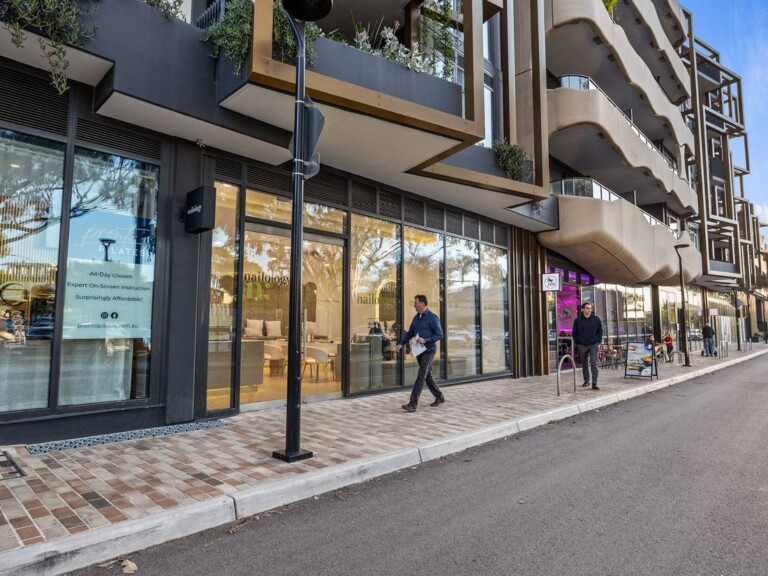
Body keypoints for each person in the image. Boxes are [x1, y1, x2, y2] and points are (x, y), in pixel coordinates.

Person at [397, 295, 445, 412]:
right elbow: (410, 333)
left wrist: (426, 339)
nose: (414, 305)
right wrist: (401, 343)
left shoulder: (432, 317)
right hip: (419, 351)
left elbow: (439, 334)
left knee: (421, 375)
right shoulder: (416, 318)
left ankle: (413, 404)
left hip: (429, 350)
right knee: (427, 376)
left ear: (422, 304)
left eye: (416, 303)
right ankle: (439, 396)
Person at [572, 302, 603, 390]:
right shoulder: (577, 320)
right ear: (583, 309)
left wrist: (598, 340)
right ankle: (586, 381)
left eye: (590, 308)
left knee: (593, 363)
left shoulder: (596, 319)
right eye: (587, 308)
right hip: (582, 345)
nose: (589, 310)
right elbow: (574, 333)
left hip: (594, 344)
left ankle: (594, 383)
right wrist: (578, 342)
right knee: (584, 364)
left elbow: (600, 331)